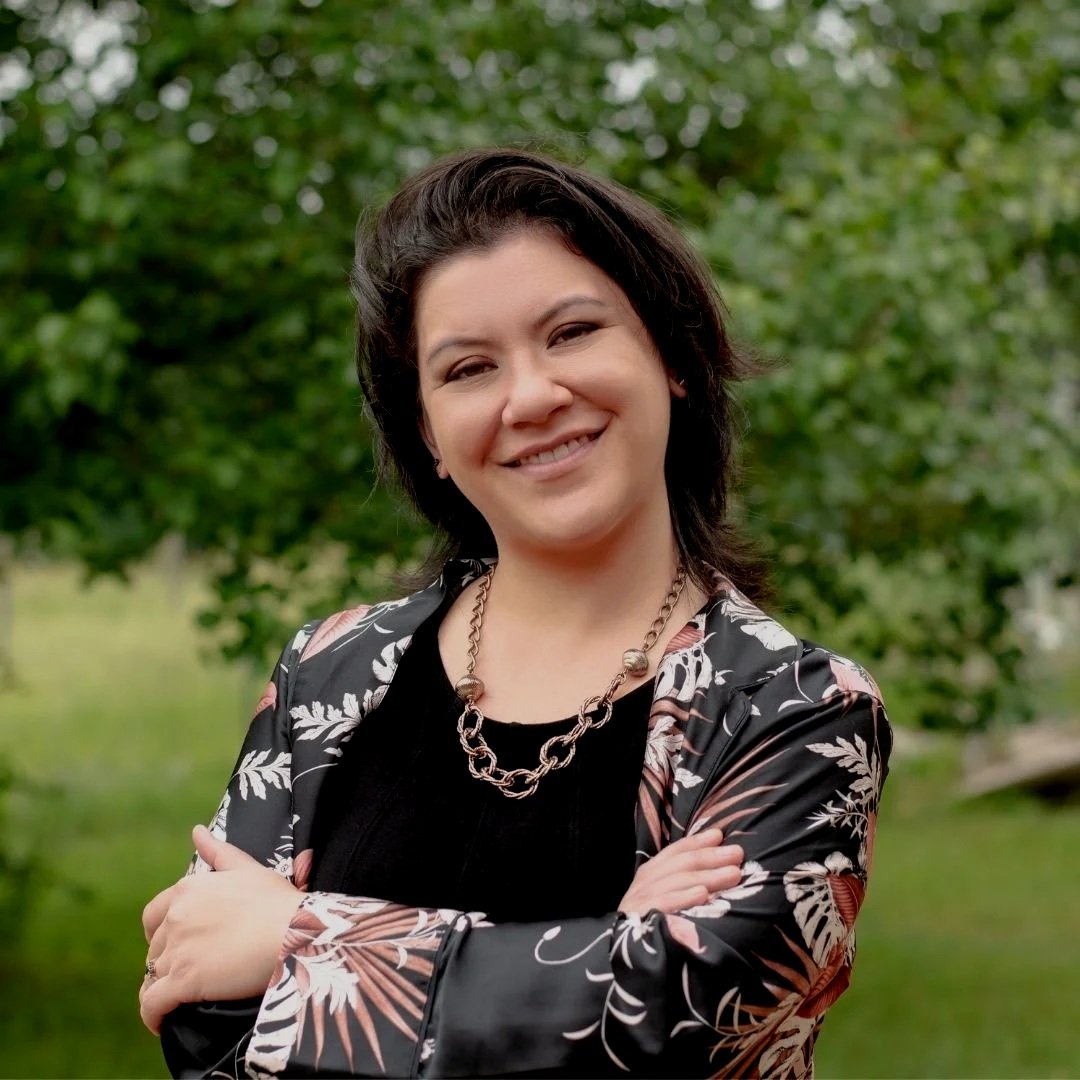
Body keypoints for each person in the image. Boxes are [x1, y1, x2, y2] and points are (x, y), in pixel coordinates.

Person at [139, 147, 891, 1078]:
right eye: (467, 369)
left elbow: (679, 1027)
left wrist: (300, 937)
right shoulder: (330, 670)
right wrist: (607, 944)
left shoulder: (796, 710)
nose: (532, 397)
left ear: (673, 358)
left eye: (573, 333)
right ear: (430, 437)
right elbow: (201, 1011)